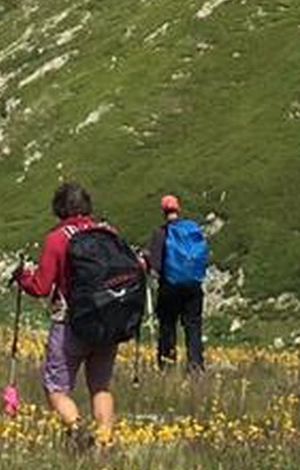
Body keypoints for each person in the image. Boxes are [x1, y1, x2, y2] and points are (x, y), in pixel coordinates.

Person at [15, 181, 147, 449]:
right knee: (100, 387)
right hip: (108, 320)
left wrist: (22, 276)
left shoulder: (56, 239)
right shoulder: (108, 232)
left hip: (70, 324)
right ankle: (104, 441)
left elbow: (41, 287)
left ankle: (77, 430)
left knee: (56, 388)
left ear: (59, 209)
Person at [146, 193, 211, 372]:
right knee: (193, 326)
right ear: (178, 209)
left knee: (167, 325)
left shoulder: (161, 233)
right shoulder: (191, 231)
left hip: (170, 287)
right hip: (193, 286)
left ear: (163, 211)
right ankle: (196, 365)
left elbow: (156, 264)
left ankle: (167, 365)